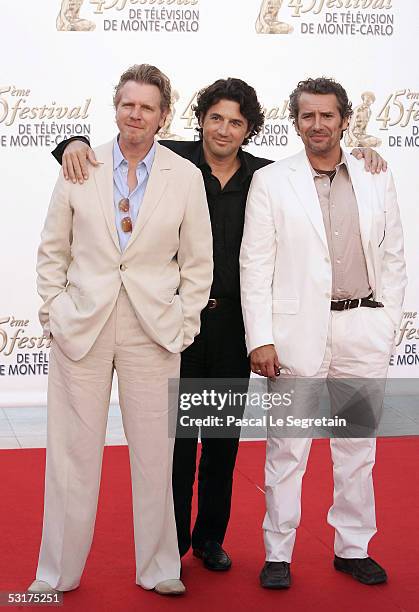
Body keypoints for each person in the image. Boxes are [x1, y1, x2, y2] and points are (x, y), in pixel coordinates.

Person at [51, 77, 386, 573]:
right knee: (177, 443)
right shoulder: (174, 163)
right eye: (215, 118)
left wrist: (362, 157)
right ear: (199, 119)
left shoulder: (266, 177)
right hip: (170, 323)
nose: (224, 129)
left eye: (236, 121)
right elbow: (121, 145)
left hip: (232, 327)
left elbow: (323, 165)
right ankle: (174, 547)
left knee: (221, 443)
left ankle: (209, 540)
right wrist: (71, 144)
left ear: (249, 128)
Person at [28, 64, 213, 596]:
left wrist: (182, 324)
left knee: (156, 454)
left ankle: (159, 569)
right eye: (127, 104)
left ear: (163, 116)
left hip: (152, 329)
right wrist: (54, 313)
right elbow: (52, 250)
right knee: (70, 455)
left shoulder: (185, 175)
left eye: (147, 106)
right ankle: (55, 572)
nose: (136, 114)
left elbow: (199, 262)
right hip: (82, 326)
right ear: (116, 107)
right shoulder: (80, 164)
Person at [240, 77, 406, 589]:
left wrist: (389, 320)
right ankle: (278, 552)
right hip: (295, 335)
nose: (317, 124)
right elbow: (255, 263)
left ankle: (353, 547)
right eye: (307, 116)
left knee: (357, 447)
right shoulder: (272, 180)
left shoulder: (375, 174)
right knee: (287, 447)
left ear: (344, 119)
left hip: (363, 328)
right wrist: (260, 338)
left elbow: (394, 254)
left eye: (327, 115)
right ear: (296, 122)